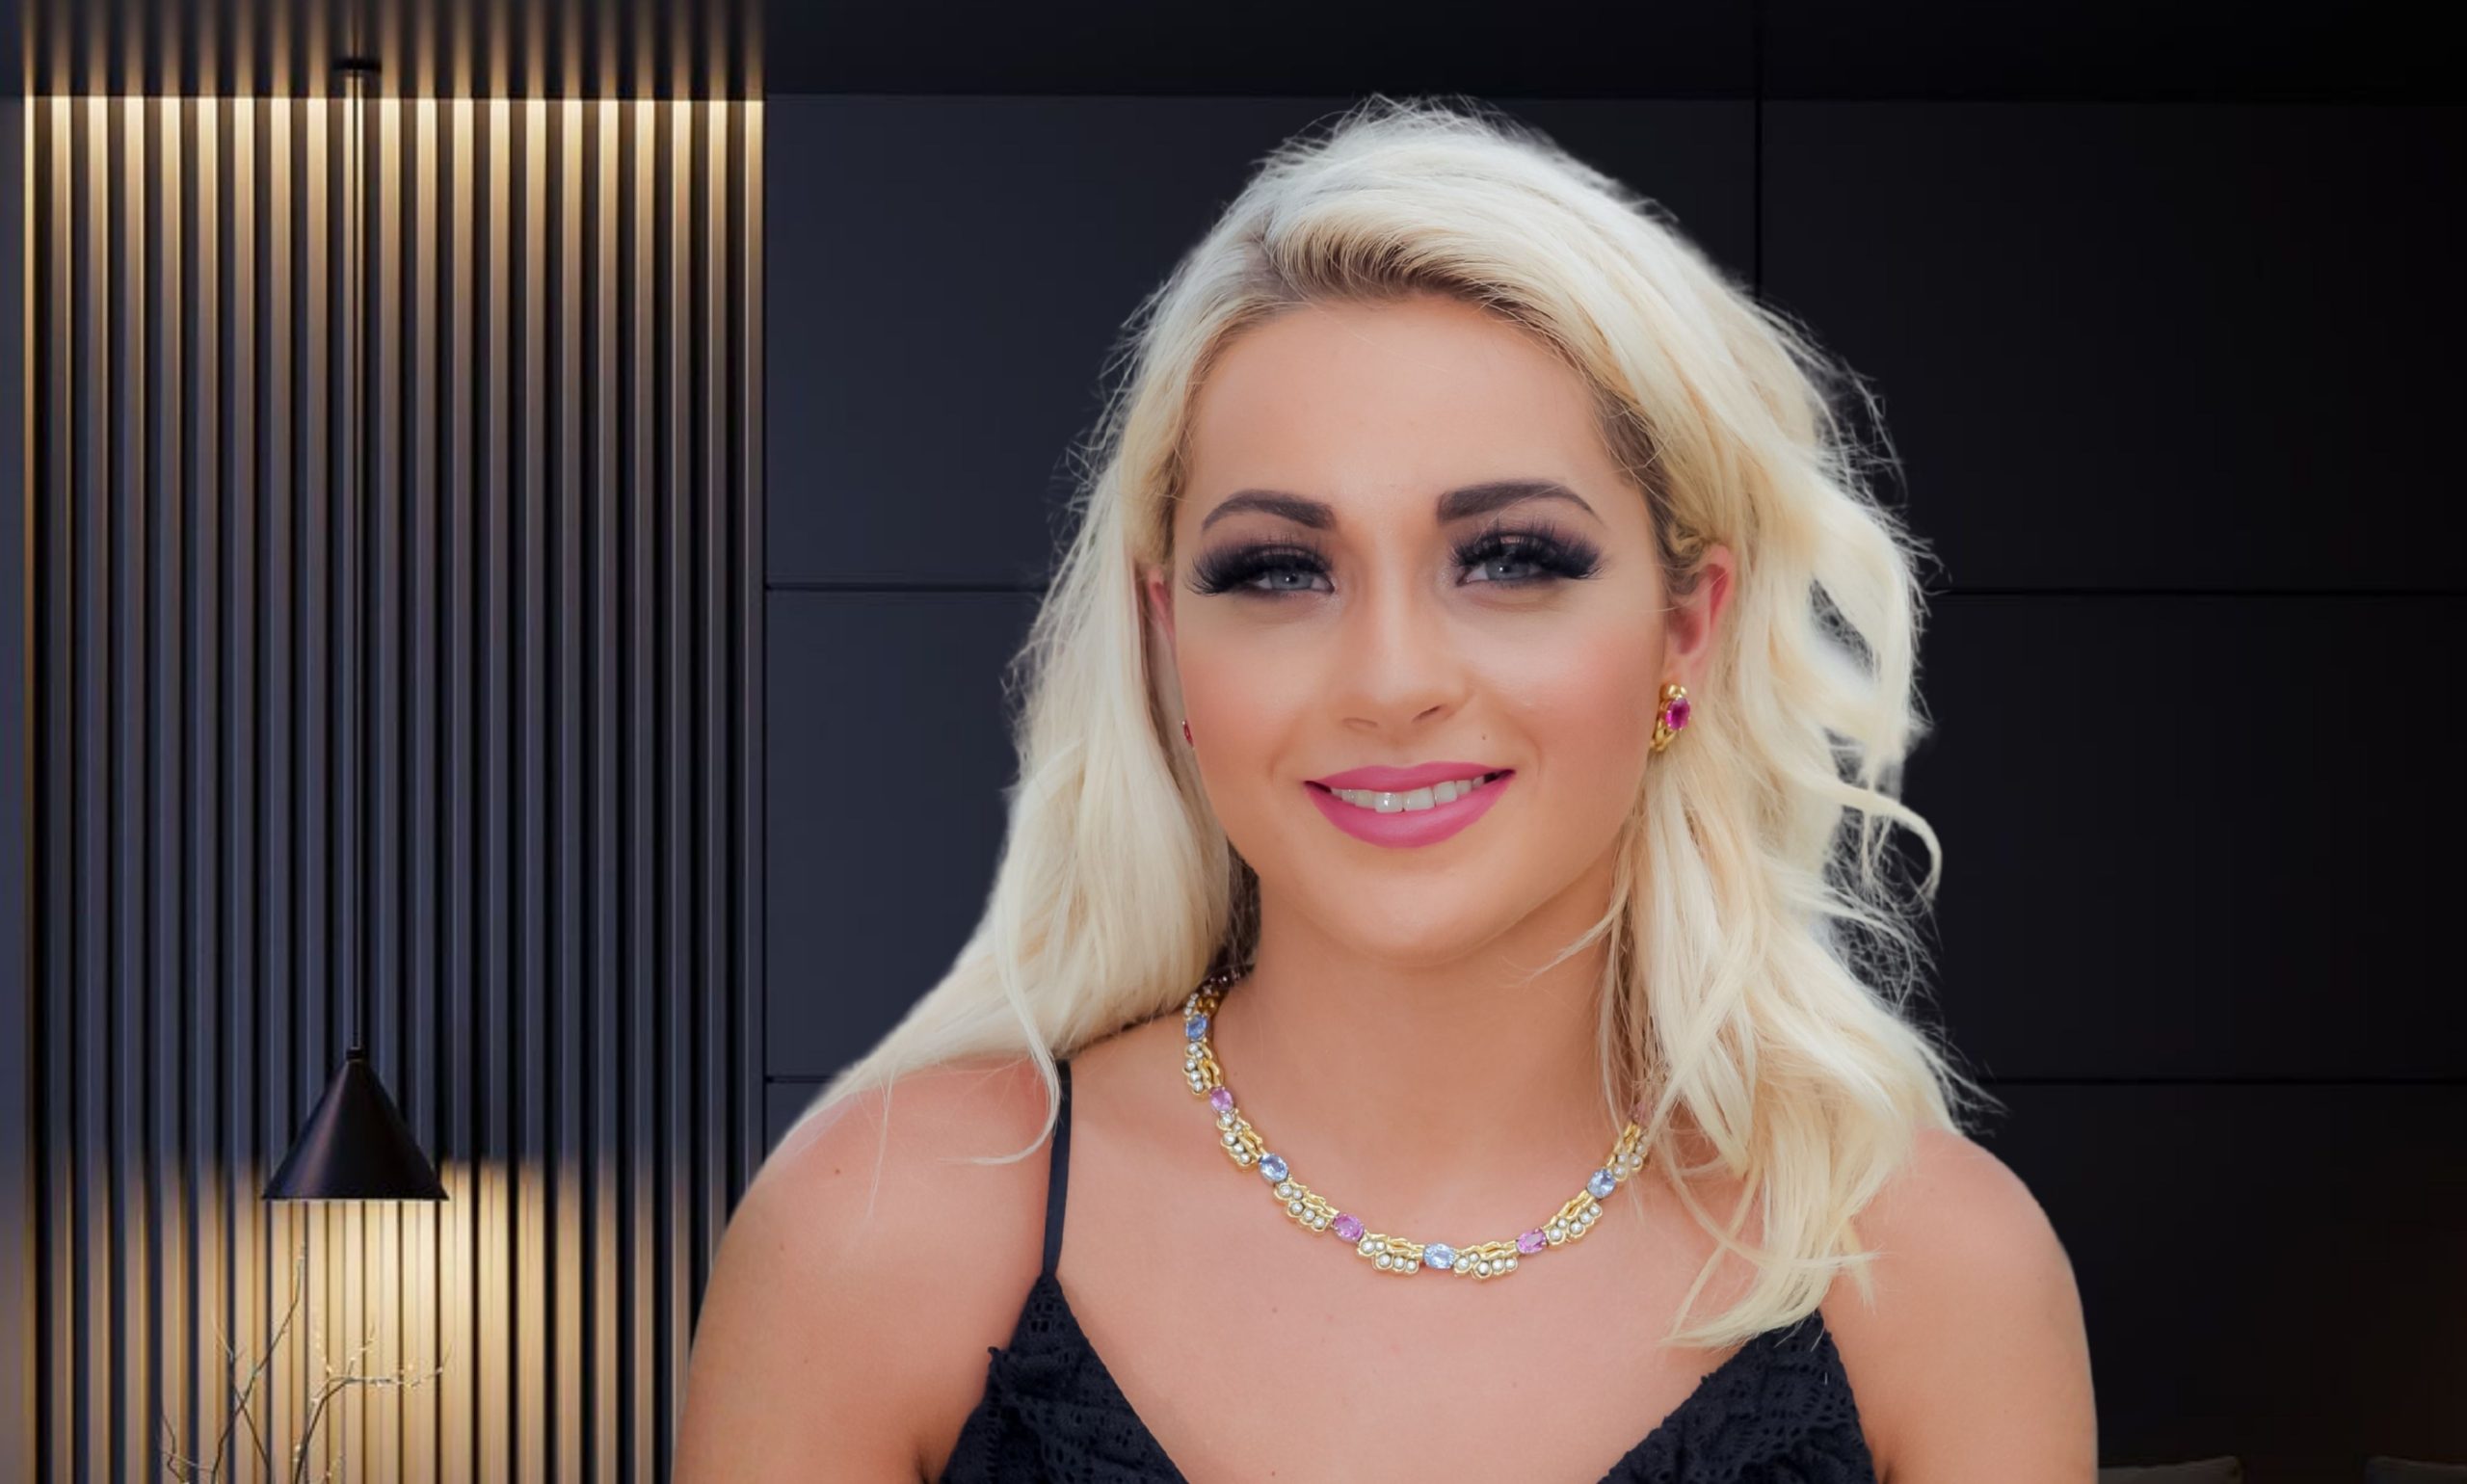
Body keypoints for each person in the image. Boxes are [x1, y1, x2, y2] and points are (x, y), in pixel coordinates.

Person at [676, 93, 2096, 1482]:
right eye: (1279, 571)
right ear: (1169, 642)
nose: (1392, 677)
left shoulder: (1932, 1275)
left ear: (1686, 627)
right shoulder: (885, 1234)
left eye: (1512, 558)